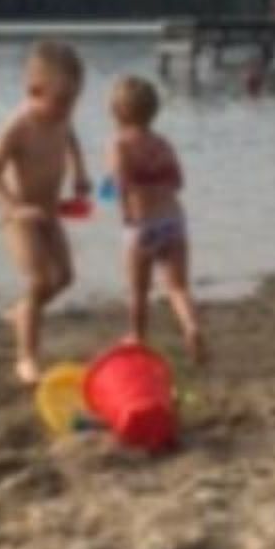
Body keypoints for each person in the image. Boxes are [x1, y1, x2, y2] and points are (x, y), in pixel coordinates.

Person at [0, 41, 91, 385]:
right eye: (62, 101)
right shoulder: (19, 126)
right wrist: (14, 209)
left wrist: (80, 172)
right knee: (40, 281)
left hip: (50, 210)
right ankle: (26, 358)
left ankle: (22, 311)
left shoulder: (62, 118)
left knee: (65, 277)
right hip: (20, 217)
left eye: (73, 101)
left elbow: (70, 138)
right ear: (34, 90)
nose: (67, 110)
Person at [106, 74, 205, 364]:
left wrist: (125, 213)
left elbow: (121, 185)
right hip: (173, 220)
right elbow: (178, 182)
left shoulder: (119, 144)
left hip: (142, 225)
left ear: (117, 112)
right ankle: (191, 325)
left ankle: (138, 337)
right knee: (177, 287)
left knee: (139, 291)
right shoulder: (163, 143)